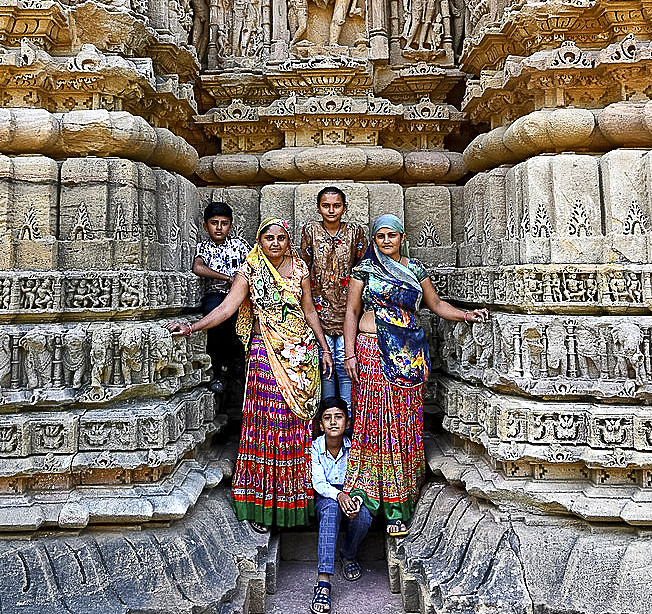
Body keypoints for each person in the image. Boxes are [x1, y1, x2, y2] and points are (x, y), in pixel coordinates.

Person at [169, 218, 333, 532]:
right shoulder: (251, 270)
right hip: (264, 355)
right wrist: (192, 327)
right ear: (260, 240)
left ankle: (295, 503)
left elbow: (310, 311)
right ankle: (264, 505)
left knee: (297, 428)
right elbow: (228, 307)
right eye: (268, 238)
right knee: (266, 425)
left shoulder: (300, 270)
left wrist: (324, 347)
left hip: (300, 358)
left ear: (288, 242)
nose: (275, 243)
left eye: (281, 238)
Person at [343, 214, 488, 537]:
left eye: (391, 236)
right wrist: (349, 353)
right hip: (369, 351)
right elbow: (351, 312)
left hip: (408, 356)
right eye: (379, 236)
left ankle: (399, 502)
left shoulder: (415, 270)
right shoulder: (364, 270)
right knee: (371, 419)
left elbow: (435, 304)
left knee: (402, 424)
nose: (385, 241)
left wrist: (466, 315)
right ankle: (366, 492)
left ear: (402, 236)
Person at [300, 187, 367, 417]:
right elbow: (304, 269)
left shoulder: (355, 232)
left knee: (345, 363)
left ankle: (348, 422)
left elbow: (362, 268)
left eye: (336, 205)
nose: (331, 210)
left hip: (349, 308)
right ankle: (328, 422)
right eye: (326, 205)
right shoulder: (310, 230)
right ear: (319, 208)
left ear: (344, 208)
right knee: (325, 364)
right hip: (319, 308)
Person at [310, 396, 372, 614]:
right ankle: (323, 581)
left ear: (347, 422)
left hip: (351, 492)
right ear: (320, 425)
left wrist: (356, 500)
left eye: (339, 417)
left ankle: (348, 554)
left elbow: (364, 478)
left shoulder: (354, 447)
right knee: (331, 510)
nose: (333, 422)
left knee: (364, 517)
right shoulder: (315, 448)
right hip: (327, 495)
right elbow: (318, 484)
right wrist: (339, 496)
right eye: (327, 418)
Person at [192, 201, 249, 405]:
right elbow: (198, 267)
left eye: (224, 223)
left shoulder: (239, 245)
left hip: (238, 295)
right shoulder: (203, 247)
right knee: (213, 316)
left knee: (237, 322)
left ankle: (235, 369)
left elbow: (253, 264)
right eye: (214, 223)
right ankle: (218, 369)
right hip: (216, 294)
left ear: (230, 226)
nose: (219, 227)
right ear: (206, 226)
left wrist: (239, 281)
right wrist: (226, 277)